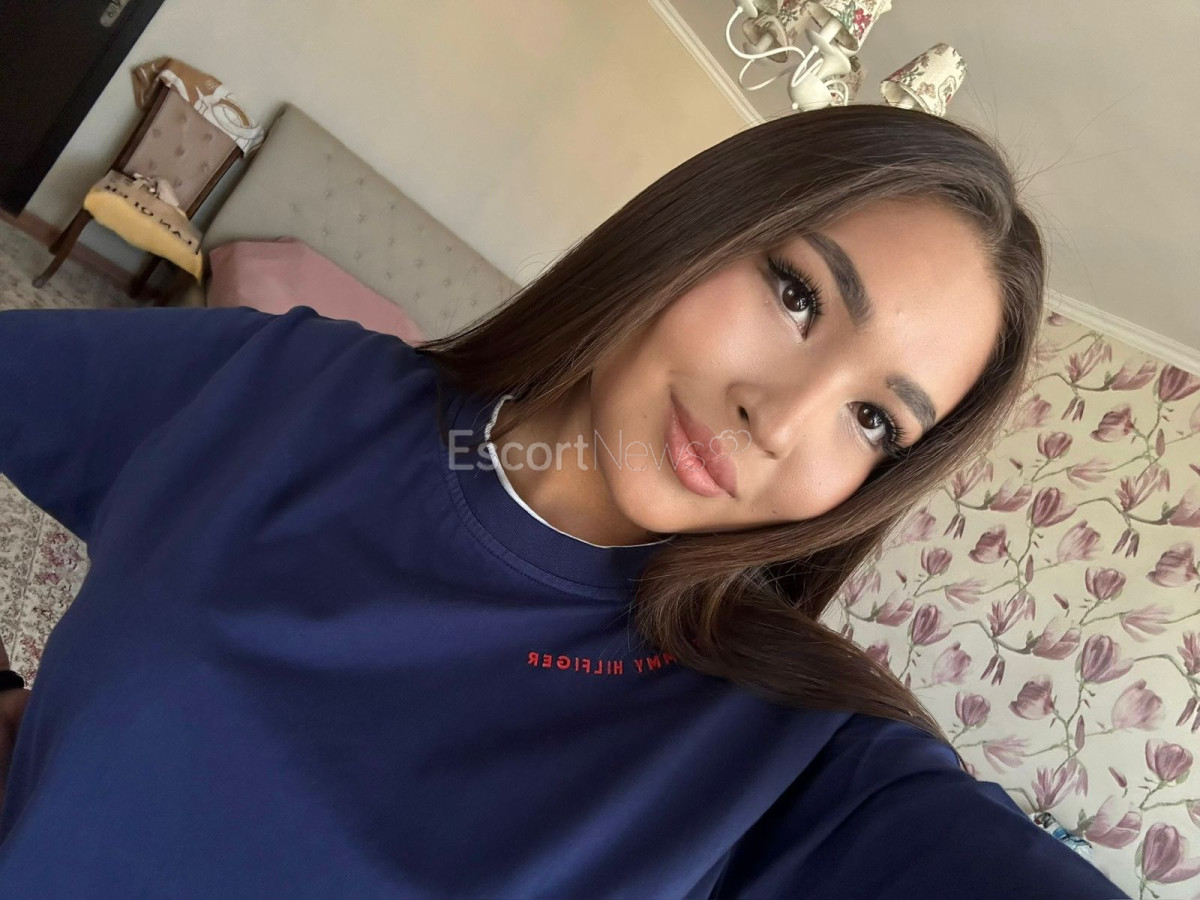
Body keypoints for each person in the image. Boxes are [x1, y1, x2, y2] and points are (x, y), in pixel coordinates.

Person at [0, 104, 1127, 898]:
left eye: (874, 420)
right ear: (699, 224)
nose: (780, 420)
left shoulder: (778, 755)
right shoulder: (288, 388)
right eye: (798, 295)